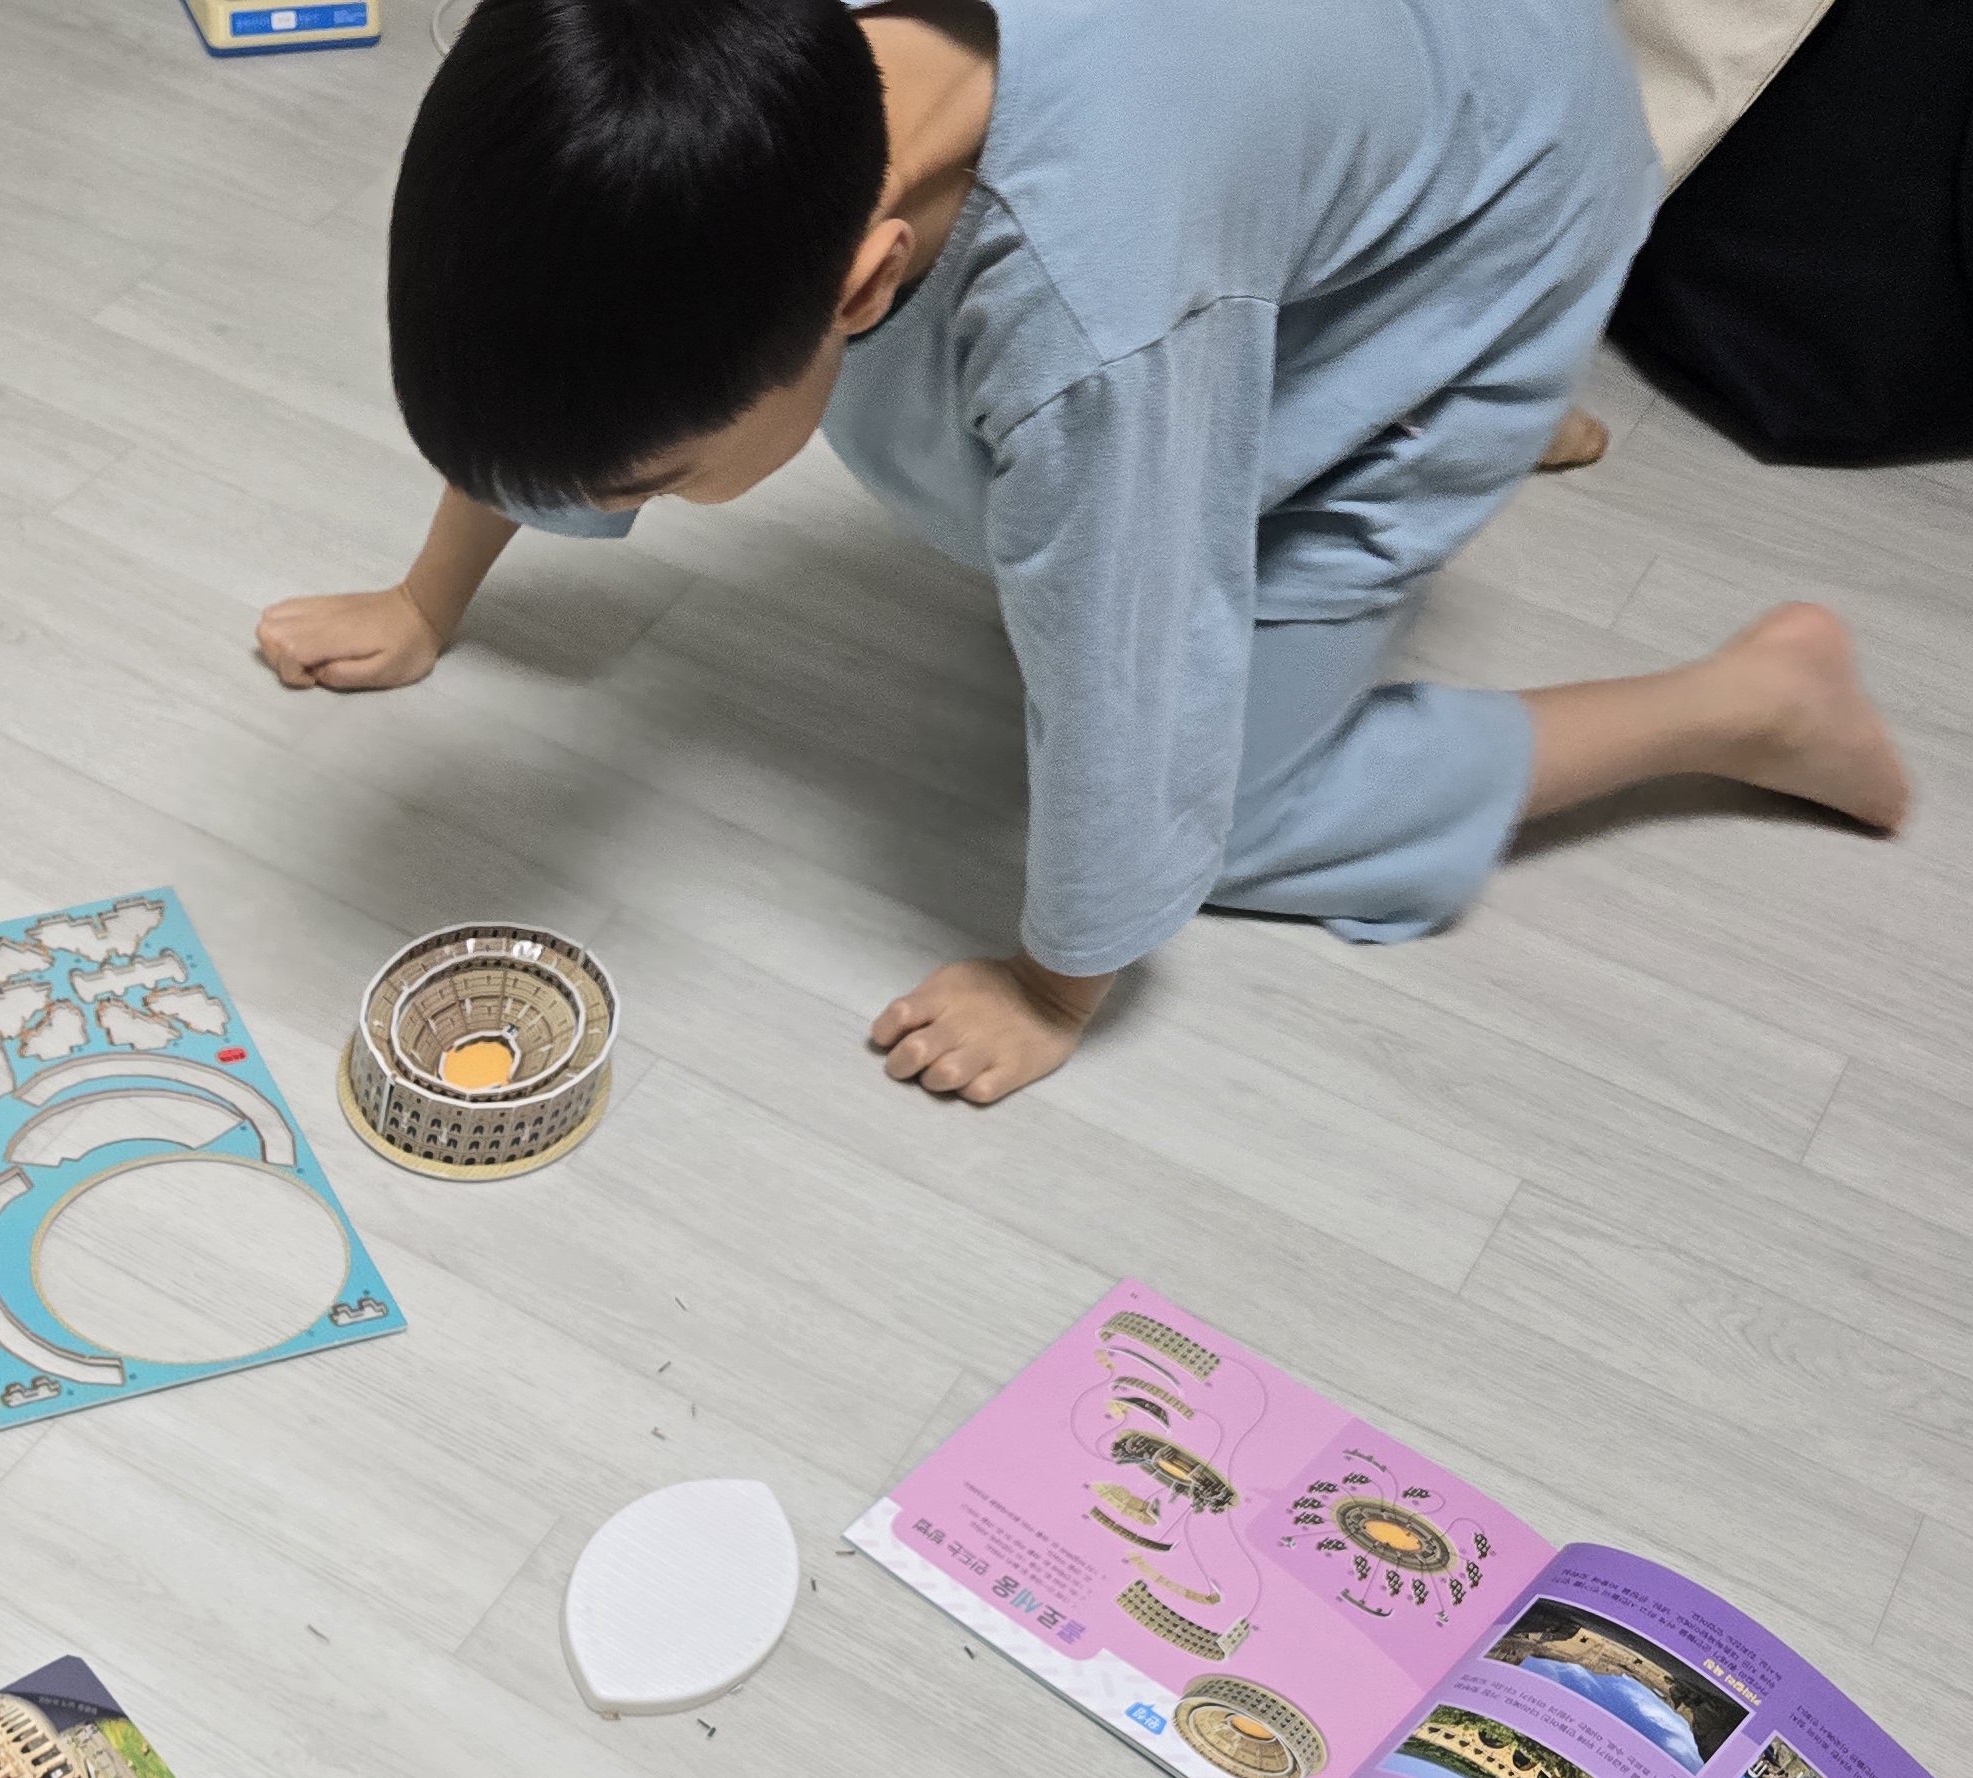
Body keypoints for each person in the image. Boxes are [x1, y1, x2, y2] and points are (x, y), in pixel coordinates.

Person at [257, 0, 1910, 1103]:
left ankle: (1742, 697)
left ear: (865, 279)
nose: (650, 488)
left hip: (1520, 173)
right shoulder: (725, 47)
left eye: (662, 477)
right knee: (1042, 400)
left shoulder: (1091, 323)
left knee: (1230, 806)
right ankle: (1423, 356)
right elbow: (563, 298)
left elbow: (1136, 669)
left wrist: (1055, 989)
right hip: (1407, 67)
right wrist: (429, 599)